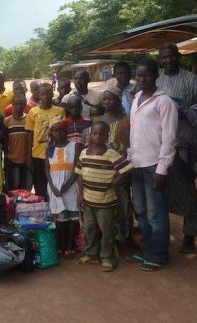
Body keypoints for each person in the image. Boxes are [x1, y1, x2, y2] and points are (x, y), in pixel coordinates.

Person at [157, 42, 197, 253]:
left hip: (182, 145)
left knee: (187, 192)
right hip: (158, 145)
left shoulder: (191, 79)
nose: (168, 60)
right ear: (159, 60)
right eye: (164, 57)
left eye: (172, 56)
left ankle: (190, 235)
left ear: (178, 57)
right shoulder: (156, 79)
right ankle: (160, 235)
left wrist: (186, 113)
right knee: (158, 191)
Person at [128, 58, 178, 271]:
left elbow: (169, 137)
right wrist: (130, 158)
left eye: (146, 75)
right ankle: (148, 250)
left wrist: (162, 169)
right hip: (137, 163)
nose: (142, 79)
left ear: (156, 75)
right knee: (140, 210)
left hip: (154, 165)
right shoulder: (137, 97)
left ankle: (160, 255)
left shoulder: (164, 101)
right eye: (139, 76)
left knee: (155, 213)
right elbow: (134, 132)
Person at [75, 121, 133, 272]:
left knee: (106, 230)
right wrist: (80, 195)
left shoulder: (111, 154)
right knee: (89, 228)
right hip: (88, 200)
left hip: (105, 202)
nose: (97, 136)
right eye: (95, 133)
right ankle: (91, 254)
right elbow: (80, 175)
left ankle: (107, 257)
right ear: (89, 135)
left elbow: (126, 170)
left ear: (107, 136)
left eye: (101, 134)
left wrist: (114, 182)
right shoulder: (83, 153)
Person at [100, 86, 135, 250]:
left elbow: (131, 144)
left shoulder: (127, 120)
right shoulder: (98, 121)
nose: (106, 102)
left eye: (110, 99)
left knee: (124, 203)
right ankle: (111, 237)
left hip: (122, 169)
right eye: (104, 99)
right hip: (103, 170)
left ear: (118, 100)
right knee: (107, 205)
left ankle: (127, 235)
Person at [45, 119, 80, 259]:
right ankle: (61, 245)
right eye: (54, 130)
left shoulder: (75, 146)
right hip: (55, 188)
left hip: (71, 186)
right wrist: (52, 186)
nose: (58, 133)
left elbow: (77, 169)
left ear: (66, 132)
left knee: (73, 218)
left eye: (61, 130)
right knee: (60, 219)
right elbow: (47, 170)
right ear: (51, 133)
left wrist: (67, 185)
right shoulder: (49, 149)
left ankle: (70, 246)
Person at [25, 83, 64, 198]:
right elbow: (30, 135)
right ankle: (42, 208)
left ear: (52, 94)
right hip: (38, 154)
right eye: (42, 94)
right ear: (38, 95)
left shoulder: (59, 111)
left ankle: (54, 209)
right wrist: (29, 157)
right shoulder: (33, 112)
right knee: (40, 184)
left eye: (48, 94)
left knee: (54, 182)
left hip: (54, 154)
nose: (45, 97)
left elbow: (62, 132)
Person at [3, 94, 32, 190]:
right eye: (16, 104)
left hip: (26, 159)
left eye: (21, 104)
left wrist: (29, 158)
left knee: (24, 188)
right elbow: (6, 141)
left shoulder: (29, 119)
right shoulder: (7, 121)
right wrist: (7, 158)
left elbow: (31, 141)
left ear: (25, 105)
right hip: (12, 159)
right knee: (13, 187)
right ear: (13, 105)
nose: (19, 106)